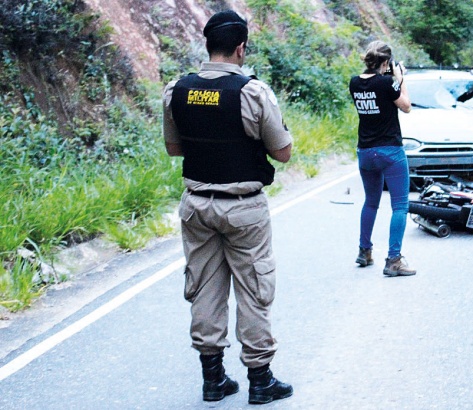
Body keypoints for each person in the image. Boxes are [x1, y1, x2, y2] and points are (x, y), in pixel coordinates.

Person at [162, 10, 293, 405]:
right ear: (240, 48)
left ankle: (213, 379)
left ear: (207, 45)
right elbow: (282, 152)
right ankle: (259, 380)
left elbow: (174, 148)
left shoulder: (176, 90)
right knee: (253, 289)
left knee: (204, 288)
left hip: (196, 206)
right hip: (243, 209)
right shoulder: (252, 92)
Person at [349, 40, 416, 277]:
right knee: (400, 205)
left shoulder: (354, 82)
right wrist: (400, 79)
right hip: (390, 151)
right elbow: (406, 106)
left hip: (365, 151)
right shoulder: (388, 83)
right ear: (386, 62)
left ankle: (364, 251)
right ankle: (394, 260)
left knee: (371, 201)